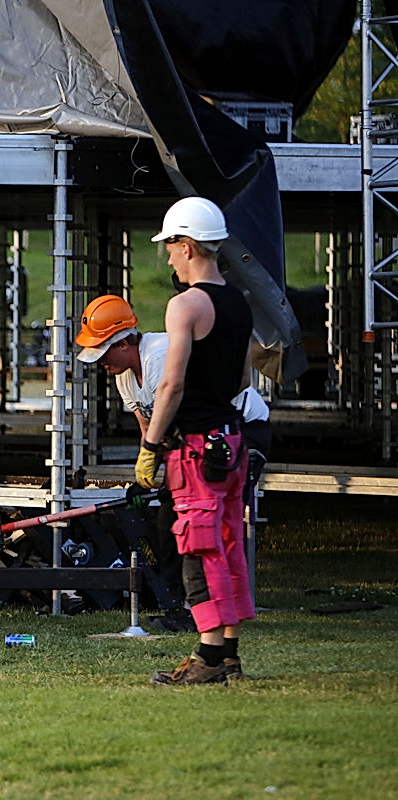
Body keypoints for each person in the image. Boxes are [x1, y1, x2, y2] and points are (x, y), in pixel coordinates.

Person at [75, 295, 271, 633]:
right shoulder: (125, 376)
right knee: (169, 519)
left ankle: (218, 611)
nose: (100, 364)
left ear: (122, 343)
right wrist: (145, 472)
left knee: (208, 525)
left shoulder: (160, 356)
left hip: (238, 432)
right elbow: (148, 428)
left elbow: (180, 421)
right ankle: (180, 606)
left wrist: (167, 471)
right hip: (191, 442)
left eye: (102, 353)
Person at [130, 196, 255, 685]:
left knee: (199, 549)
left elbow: (171, 384)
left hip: (198, 450)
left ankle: (207, 659)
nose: (167, 257)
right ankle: (228, 656)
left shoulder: (186, 305)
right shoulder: (240, 305)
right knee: (228, 545)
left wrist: (151, 443)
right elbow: (244, 378)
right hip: (234, 441)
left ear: (187, 246)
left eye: (170, 247)